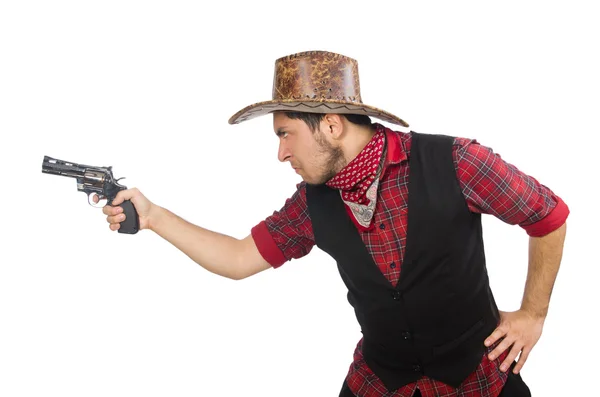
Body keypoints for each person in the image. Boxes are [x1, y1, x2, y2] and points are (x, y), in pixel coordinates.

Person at [100, 51, 569, 397]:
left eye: (286, 134)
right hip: (379, 383)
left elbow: (548, 215)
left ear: (330, 125)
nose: (280, 152)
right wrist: (155, 218)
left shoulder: (457, 162)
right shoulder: (310, 203)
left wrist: (533, 314)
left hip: (477, 382)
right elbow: (239, 258)